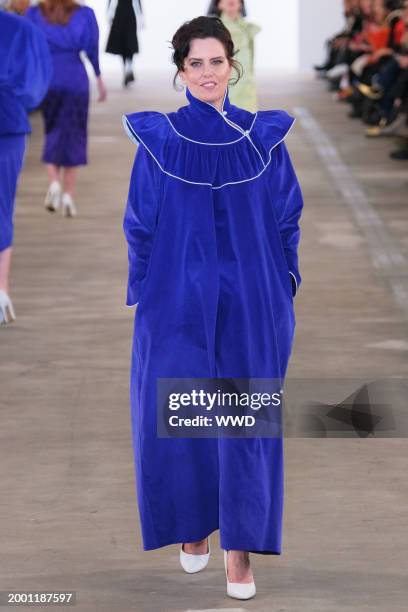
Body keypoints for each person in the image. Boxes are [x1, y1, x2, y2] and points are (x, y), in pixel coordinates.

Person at [122, 16, 303, 601]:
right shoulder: (161, 140)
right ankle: (194, 526)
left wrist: (285, 281)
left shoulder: (264, 138)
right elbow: (140, 222)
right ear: (180, 71)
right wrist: (144, 291)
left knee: (245, 420)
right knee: (184, 411)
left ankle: (240, 550)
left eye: (216, 62)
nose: (207, 73)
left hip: (251, 296)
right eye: (195, 63)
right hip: (176, 295)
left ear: (234, 66)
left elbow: (286, 215)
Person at [26, 0, 107, 218]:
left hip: (49, 77)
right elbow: (92, 46)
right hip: (75, 77)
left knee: (52, 130)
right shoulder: (84, 14)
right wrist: (99, 78)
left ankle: (54, 183)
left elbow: (28, 47)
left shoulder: (35, 13)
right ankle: (69, 195)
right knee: (75, 134)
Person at [0, 9, 52, 325]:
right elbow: (37, 82)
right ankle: (1, 289)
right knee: (3, 207)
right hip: (8, 122)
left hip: (9, 122)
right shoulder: (21, 29)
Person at [207, 0, 261, 112]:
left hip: (246, 89)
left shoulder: (248, 29)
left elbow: (251, 62)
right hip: (222, 87)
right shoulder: (211, 29)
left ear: (241, 3)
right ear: (218, 4)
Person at [106, 0, 143, 87]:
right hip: (128, 15)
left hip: (120, 15)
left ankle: (127, 69)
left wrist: (109, 13)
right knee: (129, 43)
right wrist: (141, 16)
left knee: (124, 44)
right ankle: (128, 68)